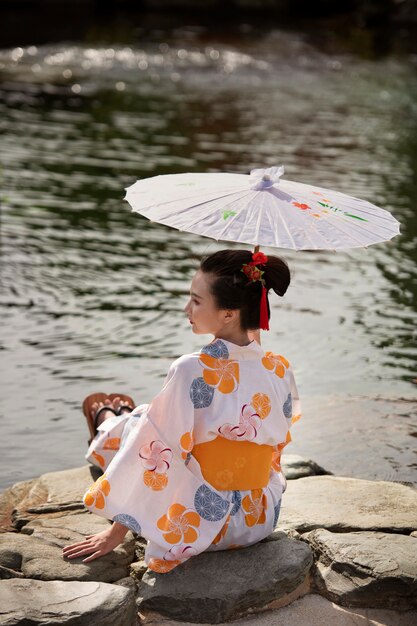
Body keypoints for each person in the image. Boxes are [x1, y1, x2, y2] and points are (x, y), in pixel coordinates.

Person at [62, 249, 301, 573]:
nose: (187, 308)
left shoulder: (190, 369)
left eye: (196, 301)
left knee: (144, 425)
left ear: (229, 313)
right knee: (167, 421)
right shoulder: (279, 368)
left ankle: (106, 419)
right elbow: (275, 446)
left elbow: (153, 452)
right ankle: (116, 417)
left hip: (202, 526)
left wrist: (117, 532)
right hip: (257, 520)